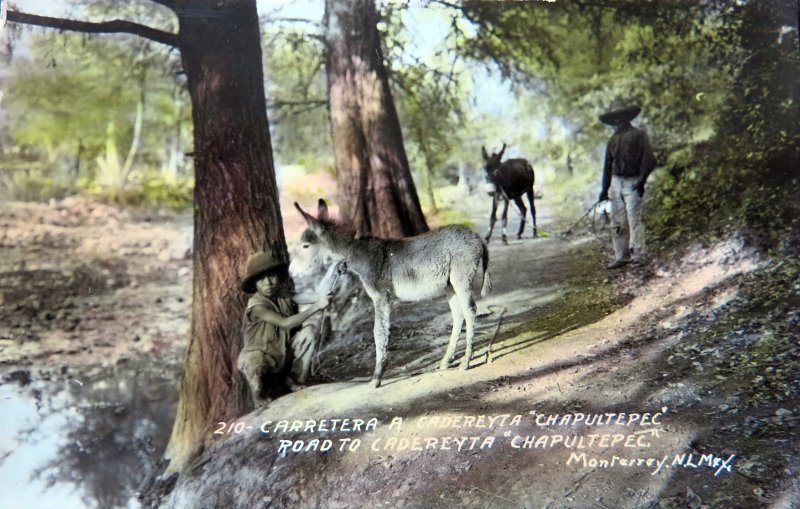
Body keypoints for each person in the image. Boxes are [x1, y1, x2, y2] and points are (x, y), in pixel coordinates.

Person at [237, 250, 333, 406]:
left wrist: (332, 279)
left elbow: (314, 297)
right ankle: (258, 399)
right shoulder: (256, 306)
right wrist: (317, 306)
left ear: (278, 276)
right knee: (255, 363)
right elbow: (285, 323)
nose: (268, 283)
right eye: (261, 280)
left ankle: (296, 380)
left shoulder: (282, 294)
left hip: (281, 356)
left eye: (271, 276)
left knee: (308, 332)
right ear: (254, 284)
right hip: (260, 358)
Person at [597, 102, 656, 269]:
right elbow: (607, 165)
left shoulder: (639, 135)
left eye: (621, 117)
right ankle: (621, 256)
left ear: (627, 118)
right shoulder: (612, 140)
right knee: (617, 221)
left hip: (633, 181)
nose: (618, 120)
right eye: (615, 118)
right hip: (616, 182)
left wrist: (642, 180)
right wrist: (604, 189)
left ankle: (639, 255)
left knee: (634, 219)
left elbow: (649, 159)